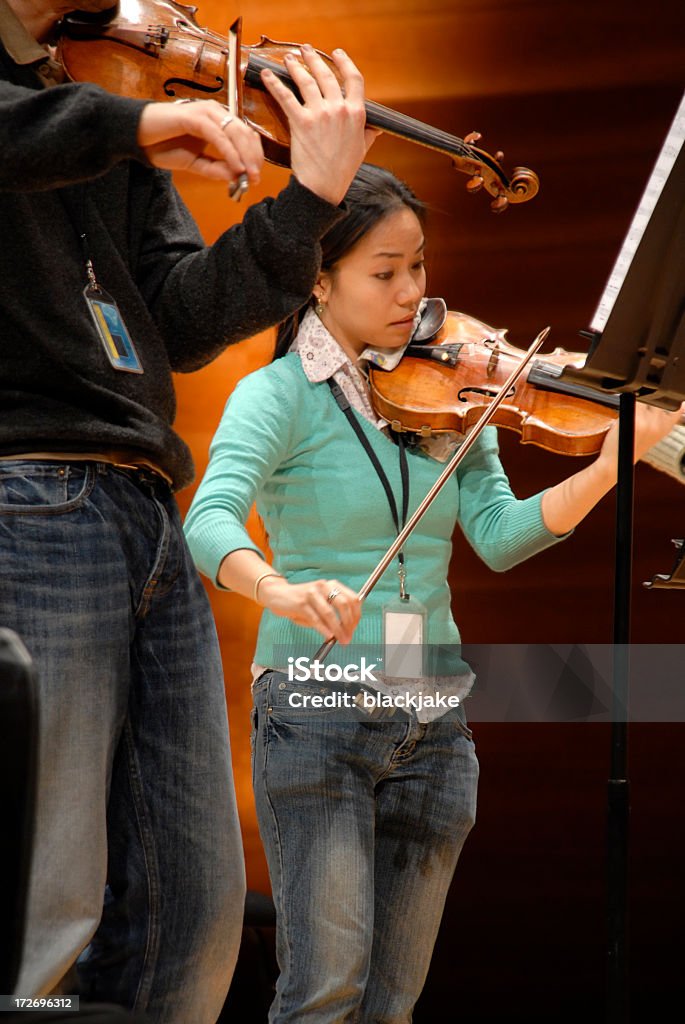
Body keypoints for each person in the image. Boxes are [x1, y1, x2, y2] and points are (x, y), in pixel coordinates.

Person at [183, 163, 682, 1024]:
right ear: (318, 278)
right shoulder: (275, 397)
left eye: (419, 266)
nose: (412, 292)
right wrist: (282, 591)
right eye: (384, 272)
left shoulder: (450, 391)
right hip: (317, 707)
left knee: (392, 1004)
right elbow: (209, 519)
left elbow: (496, 535)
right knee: (324, 990)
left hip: (430, 706)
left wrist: (608, 467)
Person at [0, 0, 376, 1020]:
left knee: (194, 918)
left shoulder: (91, 83)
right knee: (45, 909)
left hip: (140, 499)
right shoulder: (86, 109)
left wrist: (310, 202)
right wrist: (127, 128)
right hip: (25, 484)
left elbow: (175, 314)